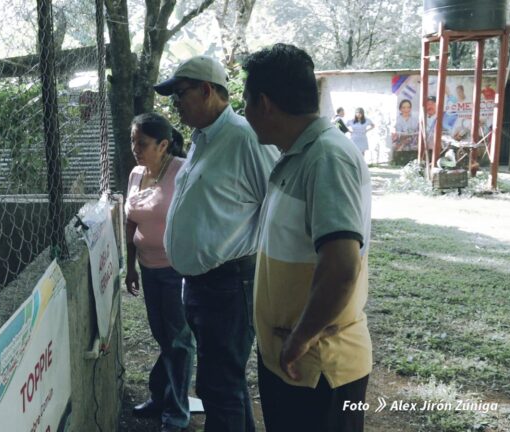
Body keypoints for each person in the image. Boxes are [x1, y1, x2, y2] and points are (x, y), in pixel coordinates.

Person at [242, 43, 373, 432]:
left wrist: (300, 338)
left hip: (319, 369)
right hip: (293, 362)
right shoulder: (298, 154)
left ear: (264, 103)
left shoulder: (326, 158)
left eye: (245, 102)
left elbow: (342, 267)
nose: (243, 113)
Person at [154, 55, 280, 431]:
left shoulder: (243, 137)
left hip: (229, 284)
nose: (175, 103)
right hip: (201, 284)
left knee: (218, 386)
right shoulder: (202, 138)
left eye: (181, 93)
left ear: (208, 90)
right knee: (225, 383)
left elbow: (278, 203)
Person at [125, 113, 194, 432]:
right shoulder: (136, 173)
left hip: (176, 269)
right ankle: (161, 396)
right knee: (163, 337)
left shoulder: (182, 171)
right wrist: (130, 265)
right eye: (133, 141)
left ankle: (177, 412)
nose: (135, 148)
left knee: (179, 341)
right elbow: (131, 221)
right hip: (148, 268)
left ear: (164, 144)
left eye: (143, 143)